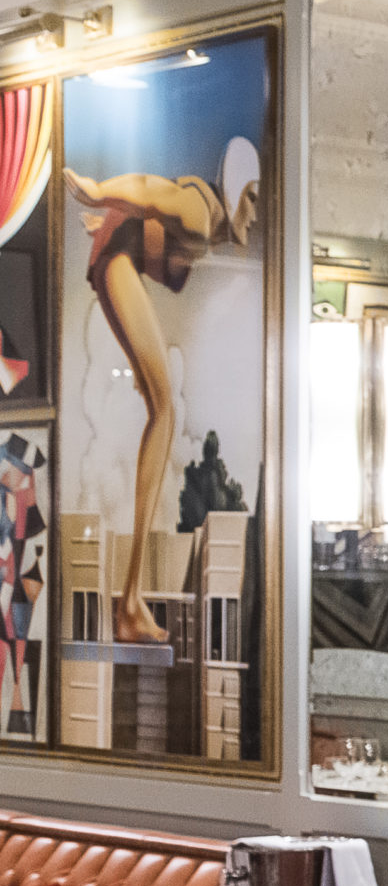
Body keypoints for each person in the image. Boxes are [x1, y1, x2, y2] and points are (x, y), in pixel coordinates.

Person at [63, 143, 255, 645]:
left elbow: (149, 221)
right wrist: (101, 193)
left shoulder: (206, 230)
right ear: (235, 189)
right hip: (114, 263)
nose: (255, 215)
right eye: (252, 199)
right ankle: (130, 603)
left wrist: (112, 218)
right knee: (164, 409)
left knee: (161, 406)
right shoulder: (199, 215)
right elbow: (151, 190)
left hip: (116, 255)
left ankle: (131, 602)